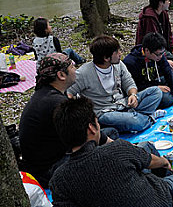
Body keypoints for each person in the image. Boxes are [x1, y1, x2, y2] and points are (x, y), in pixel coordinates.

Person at [50, 96, 173, 207]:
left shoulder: (59, 178)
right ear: (92, 128)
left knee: (145, 146)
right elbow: (157, 162)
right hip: (158, 202)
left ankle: (167, 179)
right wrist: (165, 163)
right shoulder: (117, 149)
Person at [18, 53, 116, 188]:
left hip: (53, 154)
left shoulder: (49, 93)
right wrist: (120, 148)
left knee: (112, 133)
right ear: (61, 75)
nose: (75, 69)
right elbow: (87, 130)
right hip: (48, 169)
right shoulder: (55, 102)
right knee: (110, 159)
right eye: (71, 66)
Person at [67, 35, 165, 133]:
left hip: (123, 103)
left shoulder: (119, 65)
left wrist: (133, 95)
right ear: (106, 58)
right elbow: (68, 93)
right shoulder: (83, 73)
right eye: (117, 52)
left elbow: (129, 83)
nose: (120, 54)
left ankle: (130, 120)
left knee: (156, 92)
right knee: (136, 122)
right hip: (104, 112)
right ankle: (146, 118)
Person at [124, 33, 173, 109]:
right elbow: (135, 86)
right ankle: (163, 94)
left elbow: (168, 73)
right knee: (168, 100)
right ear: (147, 50)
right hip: (143, 89)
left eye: (162, 53)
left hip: (155, 80)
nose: (160, 57)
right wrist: (156, 87)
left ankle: (168, 92)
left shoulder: (160, 57)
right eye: (158, 54)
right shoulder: (131, 62)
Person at [136, 0, 173, 71]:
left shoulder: (164, 14)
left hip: (162, 49)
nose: (169, 2)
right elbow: (152, 43)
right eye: (167, 0)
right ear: (161, 2)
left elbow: (168, 33)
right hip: (150, 52)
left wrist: (172, 50)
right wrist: (165, 60)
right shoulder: (149, 18)